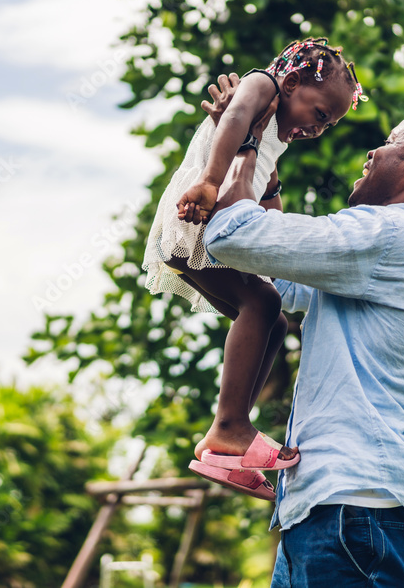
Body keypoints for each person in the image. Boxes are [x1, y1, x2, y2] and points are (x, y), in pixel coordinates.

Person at [199, 75, 404, 587]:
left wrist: (245, 142)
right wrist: (265, 173)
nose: (374, 150)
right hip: (340, 512)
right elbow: (282, 282)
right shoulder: (396, 248)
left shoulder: (394, 234)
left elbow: (232, 234)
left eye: (392, 141)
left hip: (358, 513)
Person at [142, 39, 366, 498]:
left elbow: (267, 199)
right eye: (321, 114)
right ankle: (230, 426)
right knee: (261, 304)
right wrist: (208, 181)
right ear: (292, 81)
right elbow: (235, 119)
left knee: (274, 318)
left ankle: (222, 441)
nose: (320, 129)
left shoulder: (276, 133)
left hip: (211, 221)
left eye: (331, 124)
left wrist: (276, 241)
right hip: (196, 216)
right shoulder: (260, 85)